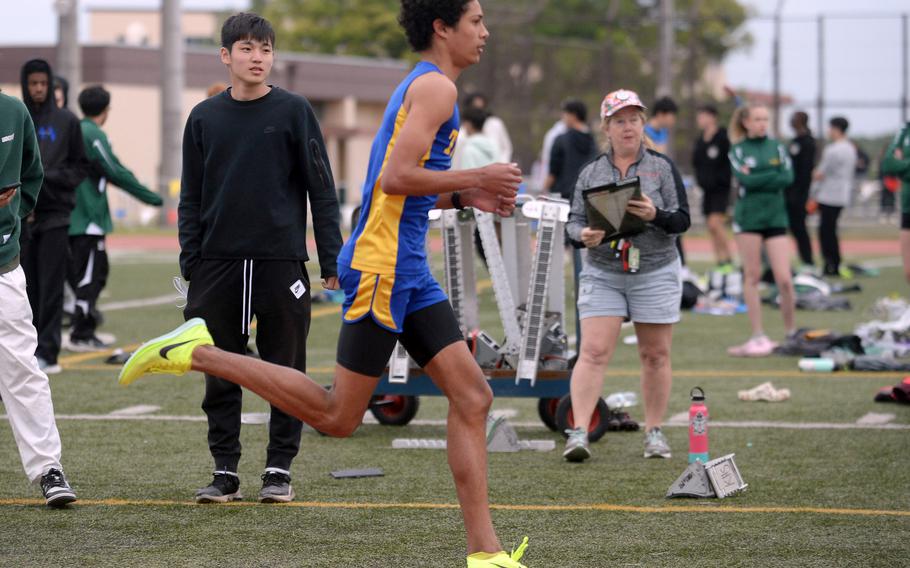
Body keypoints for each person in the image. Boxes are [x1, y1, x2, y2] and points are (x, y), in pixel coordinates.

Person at [120, 3, 529, 566]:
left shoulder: (427, 87)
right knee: (339, 418)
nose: (484, 31)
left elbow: (395, 188)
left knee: (473, 395)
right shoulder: (437, 91)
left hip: (407, 266)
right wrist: (478, 175)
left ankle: (485, 553)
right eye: (476, 19)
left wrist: (462, 194)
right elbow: (395, 177)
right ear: (443, 26)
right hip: (385, 267)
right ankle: (200, 353)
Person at [176, 13, 344, 505]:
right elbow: (191, 195)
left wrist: (330, 258)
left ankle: (278, 470)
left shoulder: (294, 110)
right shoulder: (204, 117)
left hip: (280, 262)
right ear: (226, 56)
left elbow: (322, 189)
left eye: (266, 49)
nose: (257, 58)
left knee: (285, 371)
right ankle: (224, 470)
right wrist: (193, 260)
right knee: (220, 370)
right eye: (247, 48)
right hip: (218, 264)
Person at [562, 89, 690, 463]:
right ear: (607, 127)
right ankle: (578, 432)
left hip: (655, 269)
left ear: (643, 123)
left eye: (634, 119)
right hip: (603, 271)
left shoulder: (662, 168)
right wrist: (581, 236)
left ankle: (653, 432)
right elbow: (573, 222)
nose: (628, 126)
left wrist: (656, 215)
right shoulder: (591, 172)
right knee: (594, 351)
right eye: (620, 120)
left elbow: (682, 221)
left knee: (655, 354)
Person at [0, 90, 77, 507]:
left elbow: (32, 174)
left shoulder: (12, 111)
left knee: (23, 372)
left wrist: (11, 219)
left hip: (3, 267)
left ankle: (48, 467)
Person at [66, 85, 164, 351]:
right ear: (105, 110)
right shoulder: (92, 134)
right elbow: (115, 171)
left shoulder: (73, 129)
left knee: (89, 274)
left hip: (71, 217)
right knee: (91, 276)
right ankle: (81, 332)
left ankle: (80, 325)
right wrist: (152, 198)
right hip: (87, 219)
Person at [18, 59, 89, 374]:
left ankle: (48, 352)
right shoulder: (15, 118)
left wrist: (48, 177)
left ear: (50, 85)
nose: (37, 89)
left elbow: (80, 167)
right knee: (23, 290)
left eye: (42, 83)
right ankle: (26, 353)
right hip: (20, 218)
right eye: (32, 83)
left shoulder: (66, 121)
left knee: (51, 289)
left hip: (57, 216)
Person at [727, 103, 796, 357]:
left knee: (785, 280)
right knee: (752, 276)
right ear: (746, 122)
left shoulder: (777, 146)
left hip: (776, 218)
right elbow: (745, 180)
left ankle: (791, 333)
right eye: (757, 118)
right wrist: (770, 174)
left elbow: (788, 177)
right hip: (749, 221)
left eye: (765, 119)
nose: (762, 123)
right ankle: (757, 335)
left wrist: (759, 175)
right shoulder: (738, 149)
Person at [809, 117, 857, 278]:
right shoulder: (851, 148)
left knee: (826, 231)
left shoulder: (833, 149)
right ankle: (834, 262)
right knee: (831, 229)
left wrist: (813, 187)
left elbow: (820, 173)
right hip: (842, 194)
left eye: (830, 128)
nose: (829, 131)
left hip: (829, 195)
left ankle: (830, 263)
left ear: (836, 129)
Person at [692, 104, 732, 268]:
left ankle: (728, 259)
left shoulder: (723, 137)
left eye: (702, 115)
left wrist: (721, 179)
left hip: (720, 189)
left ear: (712, 117)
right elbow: (696, 163)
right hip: (706, 190)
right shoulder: (700, 140)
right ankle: (720, 262)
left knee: (716, 223)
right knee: (710, 226)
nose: (699, 119)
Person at [545, 99, 597, 201]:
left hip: (562, 199)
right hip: (585, 198)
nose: (563, 118)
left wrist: (543, 190)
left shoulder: (561, 140)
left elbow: (553, 173)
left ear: (573, 115)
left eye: (564, 114)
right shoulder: (593, 142)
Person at [785, 111, 816, 271]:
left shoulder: (807, 142)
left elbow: (805, 172)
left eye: (794, 119)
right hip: (788, 193)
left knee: (799, 228)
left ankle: (808, 262)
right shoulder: (794, 141)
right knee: (789, 228)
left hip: (799, 194)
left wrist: (799, 194)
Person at [880, 120, 910, 284]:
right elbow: (888, 164)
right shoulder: (904, 131)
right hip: (907, 205)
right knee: (908, 273)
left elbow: (897, 165)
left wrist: (903, 165)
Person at [464, 91, 513, 163]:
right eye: (475, 108)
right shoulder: (463, 131)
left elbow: (506, 148)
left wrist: (502, 164)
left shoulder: (495, 123)